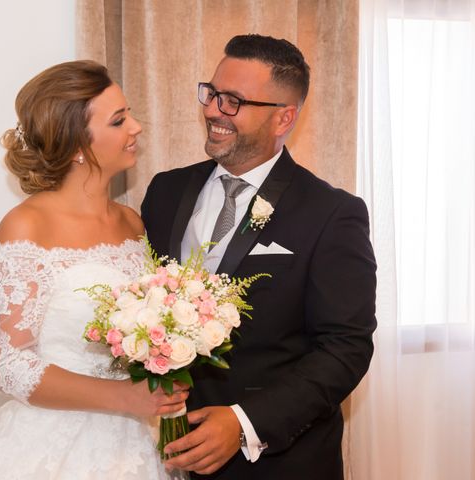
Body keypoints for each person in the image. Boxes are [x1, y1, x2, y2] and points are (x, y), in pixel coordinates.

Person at [141, 34, 377, 479]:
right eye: (211, 93)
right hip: (171, 452)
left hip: (278, 462)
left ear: (284, 118)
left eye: (233, 101)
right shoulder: (164, 192)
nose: (213, 110)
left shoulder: (332, 213)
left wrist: (246, 421)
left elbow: (345, 347)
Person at [0, 60, 188, 479]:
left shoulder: (132, 222)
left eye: (129, 113)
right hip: (54, 448)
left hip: (139, 443)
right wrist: (125, 397)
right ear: (76, 143)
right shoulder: (26, 226)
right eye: (119, 120)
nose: (136, 127)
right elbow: (10, 365)